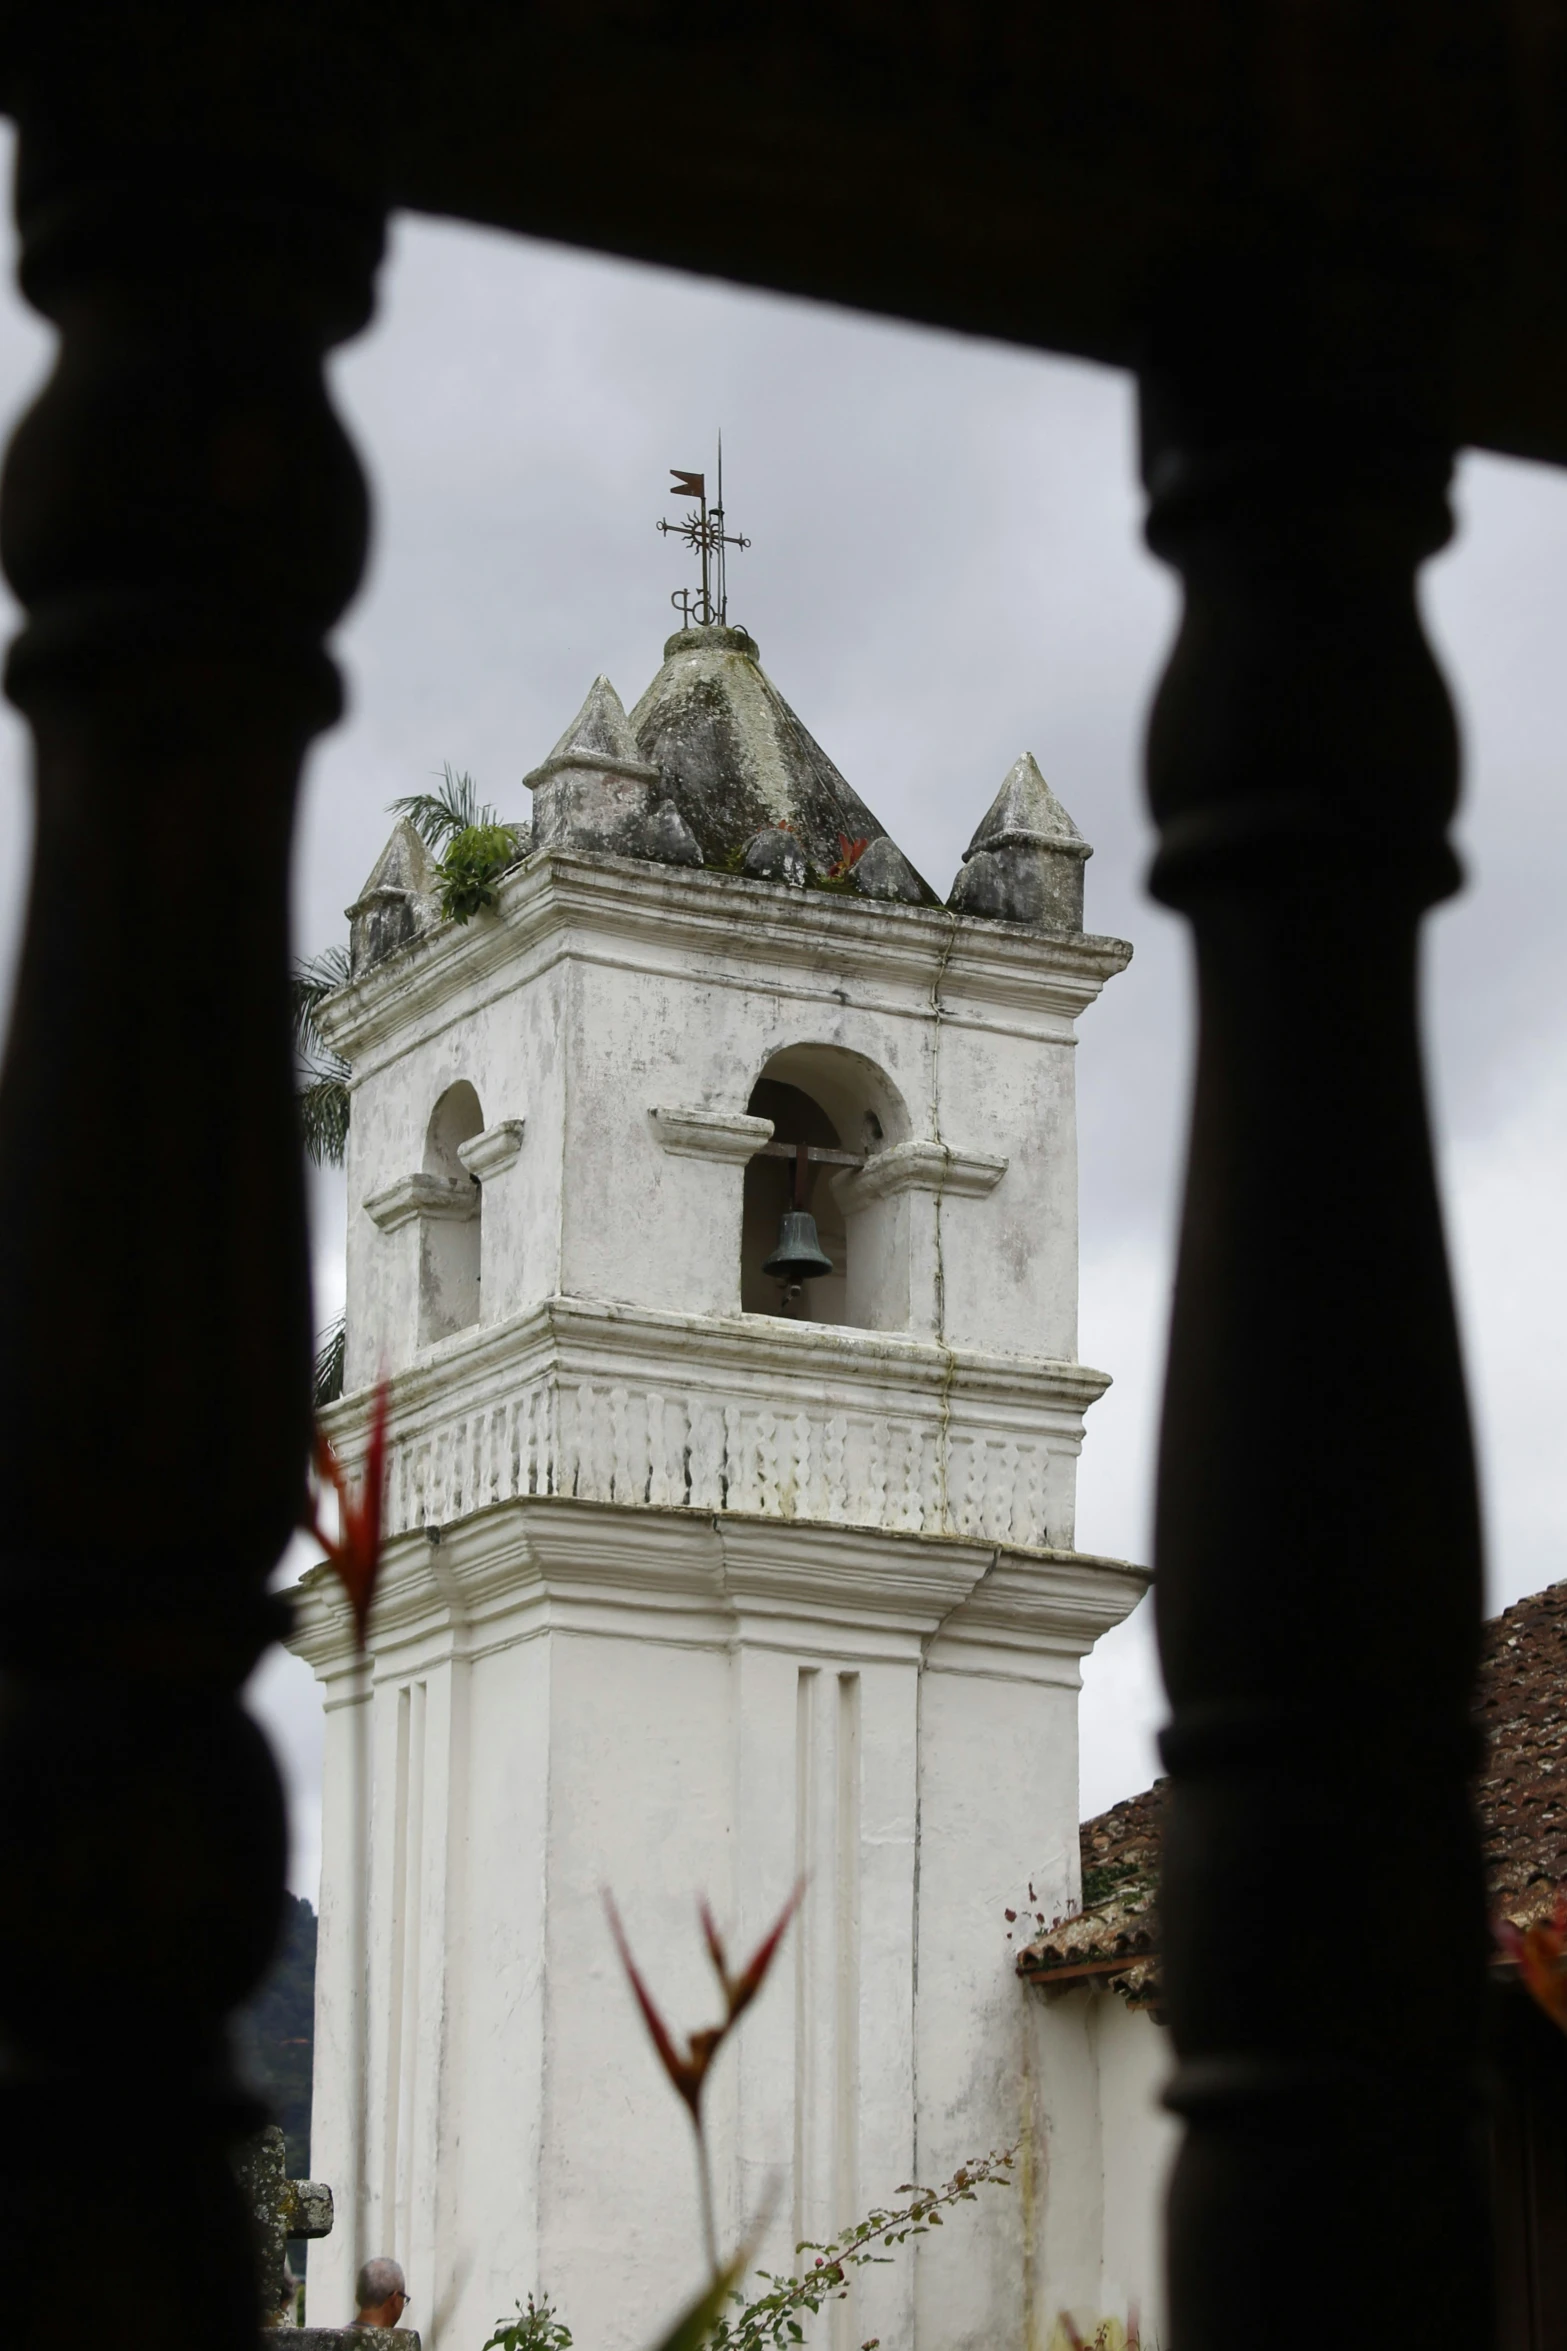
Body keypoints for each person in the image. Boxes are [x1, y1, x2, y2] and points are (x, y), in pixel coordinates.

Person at [353, 2257, 410, 2329]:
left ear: (357, 2297)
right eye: (403, 2297)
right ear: (394, 2300)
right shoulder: (403, 2339)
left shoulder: (336, 2338)